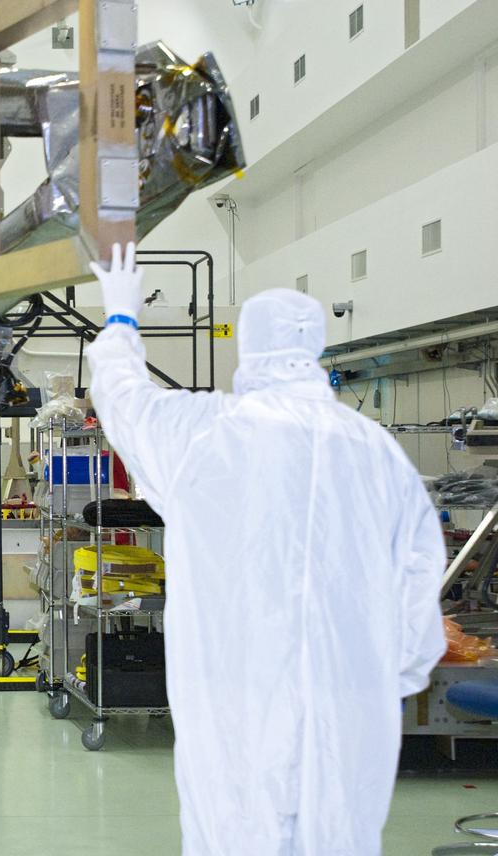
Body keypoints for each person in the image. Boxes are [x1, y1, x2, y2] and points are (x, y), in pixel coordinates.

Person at [85, 242, 445, 856]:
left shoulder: (207, 434)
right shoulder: (377, 453)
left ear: (247, 346)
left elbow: (124, 400)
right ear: (315, 350)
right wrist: (382, 674)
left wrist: (121, 319)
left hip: (236, 710)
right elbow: (417, 586)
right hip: (349, 716)